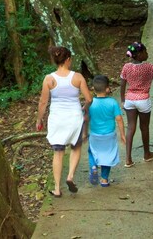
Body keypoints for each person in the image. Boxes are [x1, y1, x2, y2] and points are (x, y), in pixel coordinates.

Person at [36, 45, 92, 197]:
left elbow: (43, 102)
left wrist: (39, 119)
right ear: (68, 59)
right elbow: (88, 99)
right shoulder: (77, 77)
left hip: (57, 119)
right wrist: (84, 107)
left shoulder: (49, 79)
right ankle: (70, 177)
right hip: (74, 117)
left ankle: (57, 189)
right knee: (76, 147)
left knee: (58, 152)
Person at [87, 75, 125, 187]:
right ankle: (104, 180)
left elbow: (85, 118)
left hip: (95, 135)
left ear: (93, 89)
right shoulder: (112, 102)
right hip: (109, 135)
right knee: (108, 157)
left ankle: (93, 166)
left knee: (92, 152)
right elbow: (119, 119)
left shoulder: (91, 103)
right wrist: (122, 134)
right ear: (107, 89)